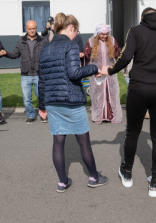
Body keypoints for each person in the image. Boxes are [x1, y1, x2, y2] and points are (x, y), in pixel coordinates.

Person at [101, 7, 156, 198]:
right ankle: (155, 182)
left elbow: (125, 57)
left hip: (139, 88)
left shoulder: (136, 30)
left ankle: (127, 173)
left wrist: (110, 71)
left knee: (132, 133)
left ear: (143, 18)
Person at [38, 12, 109, 193]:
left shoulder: (45, 48)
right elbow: (74, 73)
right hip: (71, 100)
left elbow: (42, 80)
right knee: (83, 142)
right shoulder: (70, 45)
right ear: (71, 28)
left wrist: (42, 106)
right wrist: (94, 68)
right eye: (76, 32)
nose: (76, 36)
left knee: (58, 142)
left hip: (52, 101)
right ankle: (94, 177)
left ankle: (62, 182)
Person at [0, 20, 48, 124]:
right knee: (27, 98)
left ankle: (43, 115)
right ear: (26, 29)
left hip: (39, 74)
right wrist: (5, 53)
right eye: (30, 29)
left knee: (41, 96)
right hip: (25, 74)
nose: (32, 30)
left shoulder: (43, 41)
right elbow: (15, 54)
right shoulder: (21, 41)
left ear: (36, 28)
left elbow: (47, 55)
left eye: (33, 28)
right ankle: (30, 115)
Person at [83, 24, 123, 124]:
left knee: (111, 92)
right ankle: (99, 115)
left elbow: (119, 53)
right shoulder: (91, 42)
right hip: (97, 72)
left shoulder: (112, 40)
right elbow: (86, 56)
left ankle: (110, 115)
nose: (104, 36)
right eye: (102, 34)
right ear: (98, 33)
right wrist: (85, 63)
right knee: (97, 93)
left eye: (106, 34)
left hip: (109, 72)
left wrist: (119, 64)